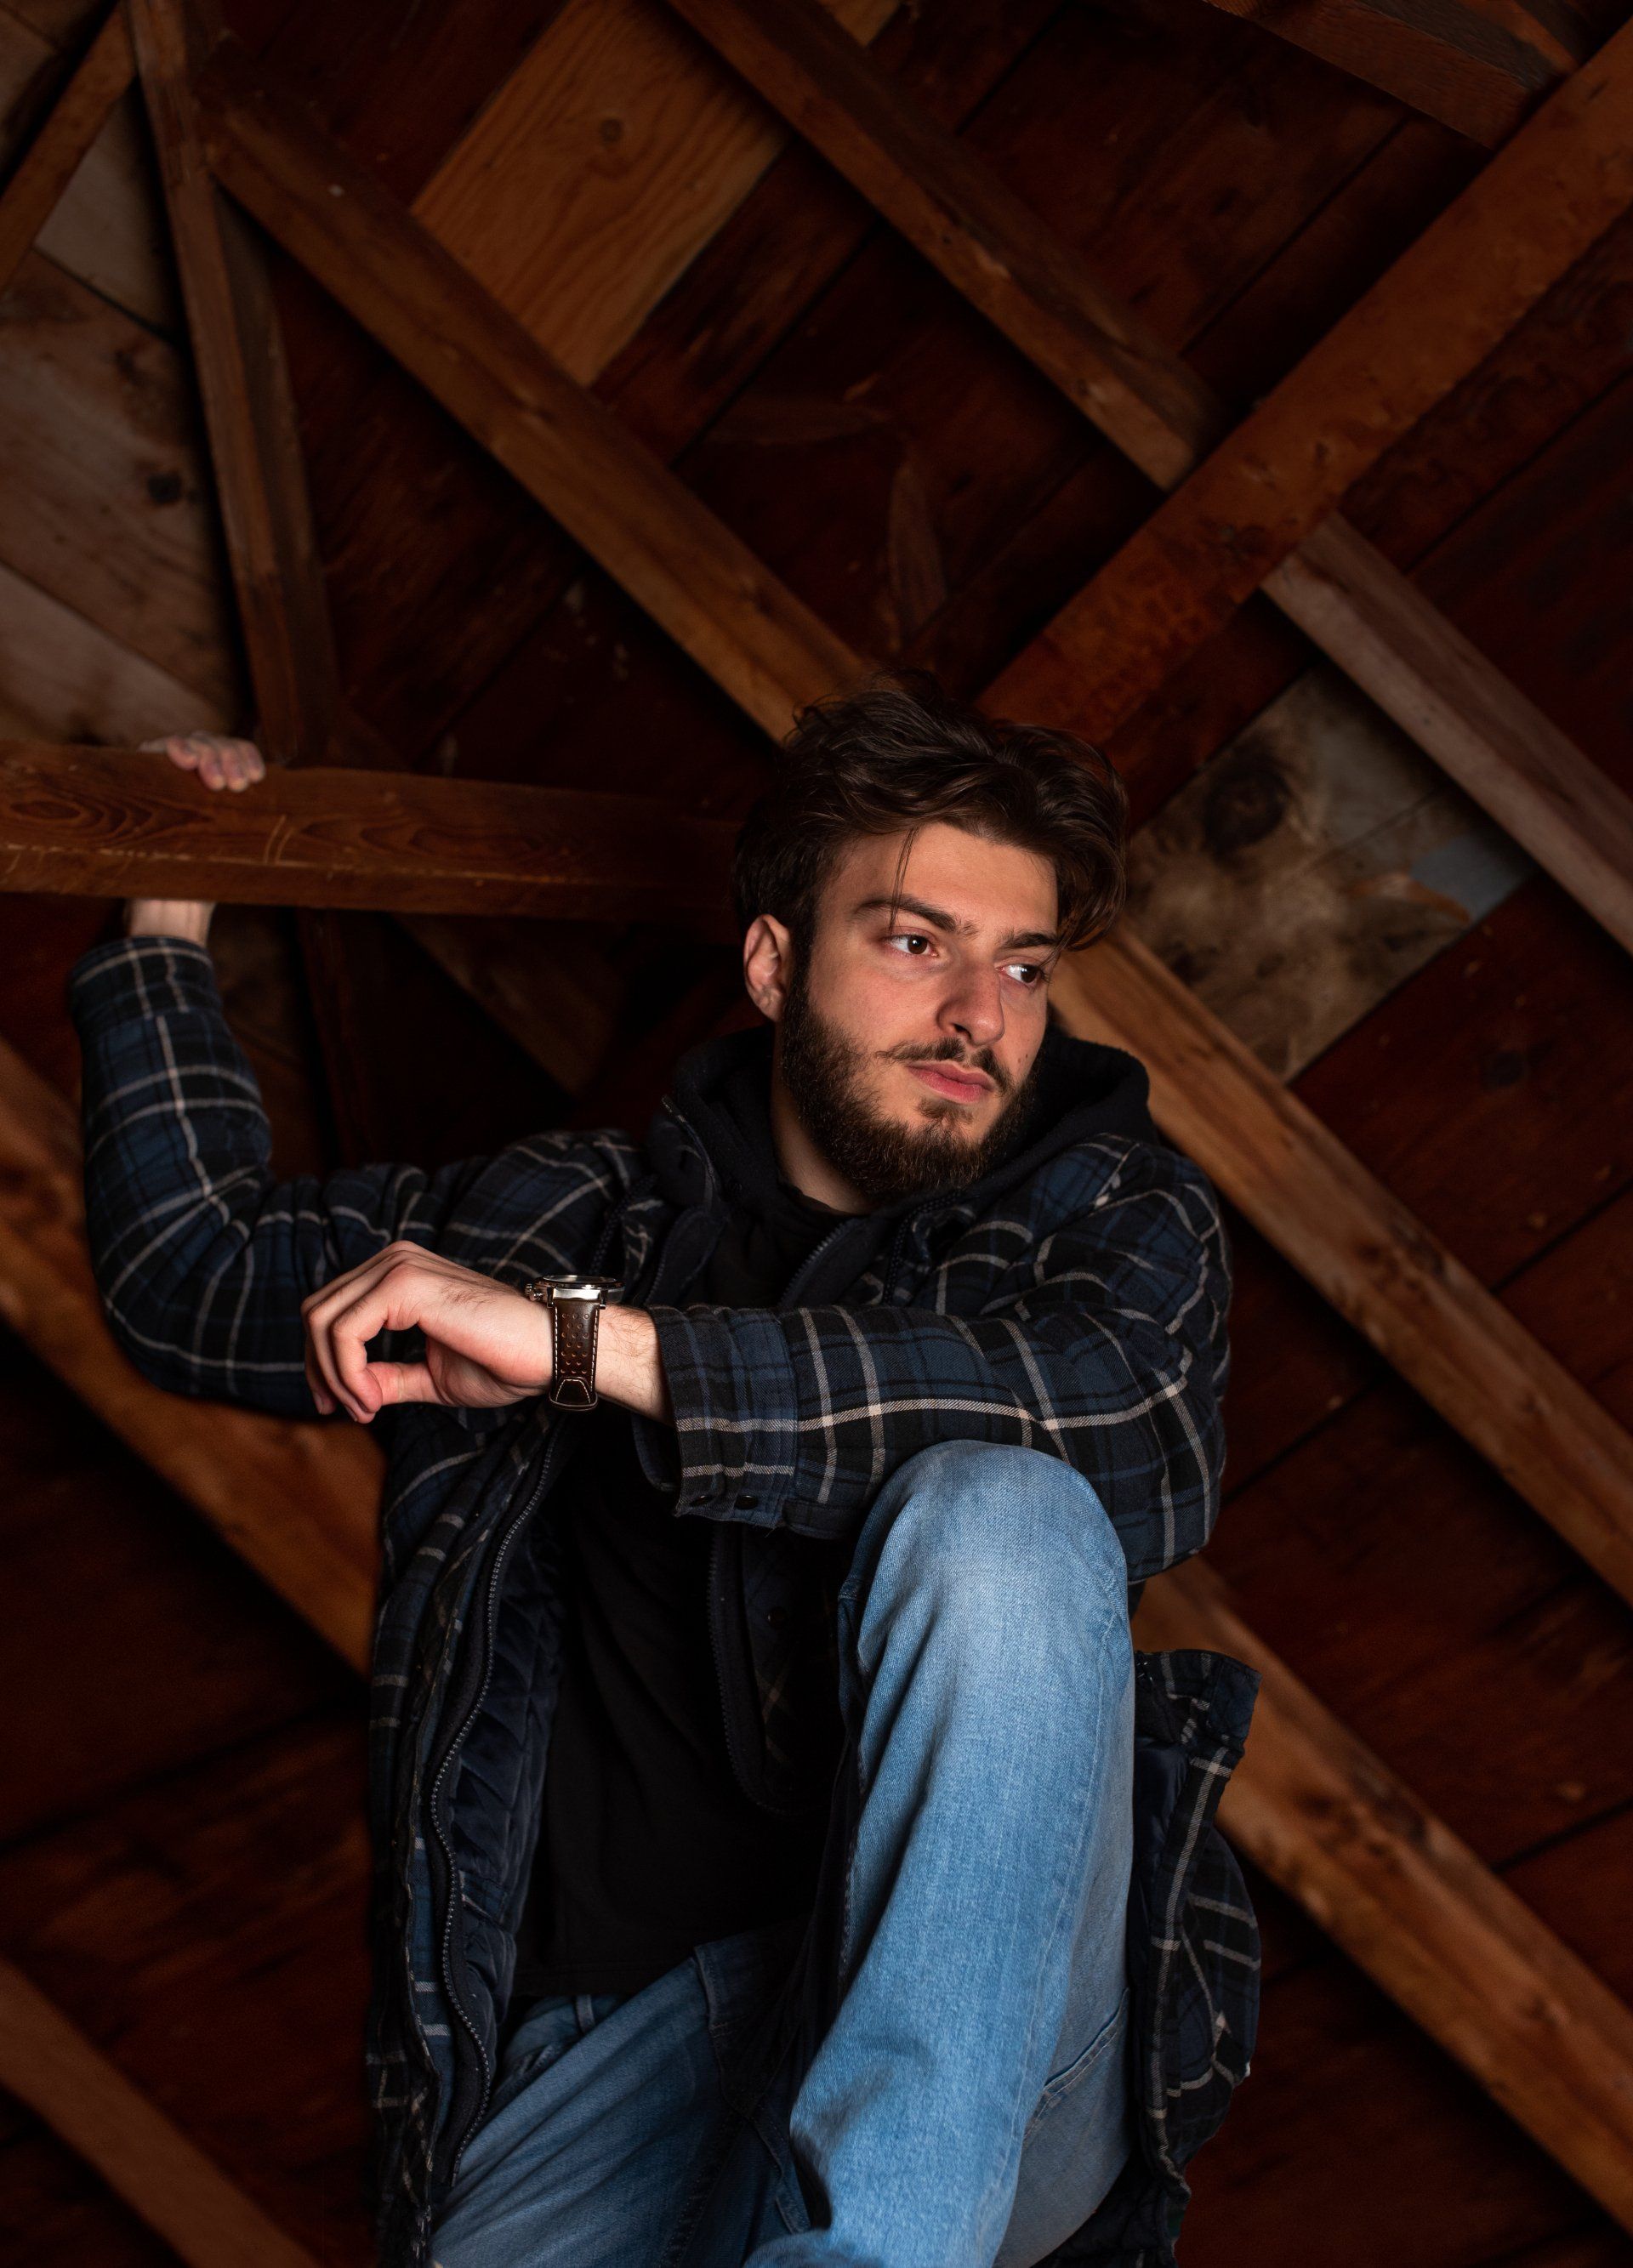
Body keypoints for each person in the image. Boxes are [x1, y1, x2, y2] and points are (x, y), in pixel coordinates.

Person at [71, 676, 1260, 2268]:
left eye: (1025, 966)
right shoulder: (554, 1224)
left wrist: (584, 1349)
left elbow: (1128, 1432)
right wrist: (163, 914)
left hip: (991, 2010)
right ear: (774, 963)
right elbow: (190, 1275)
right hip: (597, 2075)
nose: (983, 1012)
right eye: (918, 942)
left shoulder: (1109, 1213)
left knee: (1004, 1510)